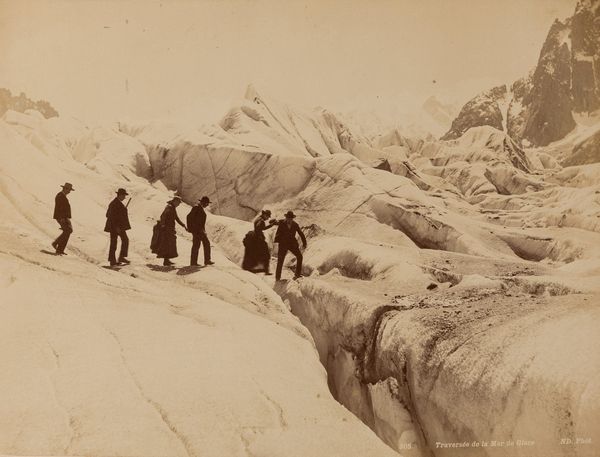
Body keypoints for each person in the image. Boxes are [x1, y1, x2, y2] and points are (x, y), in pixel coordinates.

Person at [274, 210, 307, 281]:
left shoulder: (295, 224)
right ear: (286, 218)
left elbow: (301, 233)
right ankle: (277, 278)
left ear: (292, 218)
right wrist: (273, 222)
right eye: (288, 218)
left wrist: (304, 243)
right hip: (283, 244)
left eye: (291, 219)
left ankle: (297, 274)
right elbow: (275, 222)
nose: (289, 220)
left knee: (300, 256)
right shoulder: (282, 222)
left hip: (292, 244)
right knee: (280, 260)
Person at [242, 209, 277, 274]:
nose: (268, 218)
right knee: (266, 253)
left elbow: (262, 228)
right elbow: (259, 228)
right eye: (268, 216)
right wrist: (260, 236)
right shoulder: (261, 221)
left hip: (255, 237)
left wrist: (271, 225)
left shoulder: (259, 219)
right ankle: (266, 270)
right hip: (258, 238)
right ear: (265, 215)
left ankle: (254, 267)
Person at [156, 196, 187, 266]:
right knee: (167, 244)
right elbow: (163, 216)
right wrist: (163, 226)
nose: (179, 204)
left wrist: (183, 225)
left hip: (170, 229)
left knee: (169, 244)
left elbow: (176, 218)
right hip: (167, 229)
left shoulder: (172, 208)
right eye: (178, 203)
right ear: (175, 201)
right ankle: (166, 261)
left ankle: (167, 260)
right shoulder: (169, 207)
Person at [104, 188, 131, 266]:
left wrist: (123, 210)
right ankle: (115, 259)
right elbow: (109, 215)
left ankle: (117, 259)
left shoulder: (117, 203)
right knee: (117, 242)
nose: (124, 197)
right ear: (120, 195)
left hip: (118, 226)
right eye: (123, 195)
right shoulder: (114, 203)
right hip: (115, 227)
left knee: (119, 241)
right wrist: (116, 227)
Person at [186, 196, 214, 266]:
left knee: (200, 244)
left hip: (200, 231)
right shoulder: (196, 208)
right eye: (207, 203)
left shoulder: (199, 208)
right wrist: (191, 229)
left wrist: (203, 230)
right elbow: (189, 217)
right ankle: (202, 261)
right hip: (197, 231)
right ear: (203, 203)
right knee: (201, 244)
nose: (207, 205)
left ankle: (197, 262)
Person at [52, 182, 74, 255]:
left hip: (63, 217)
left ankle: (57, 246)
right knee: (68, 231)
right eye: (69, 190)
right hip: (61, 217)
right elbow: (60, 208)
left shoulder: (62, 196)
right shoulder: (60, 196)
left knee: (68, 231)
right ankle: (58, 248)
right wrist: (62, 218)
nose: (69, 191)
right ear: (65, 189)